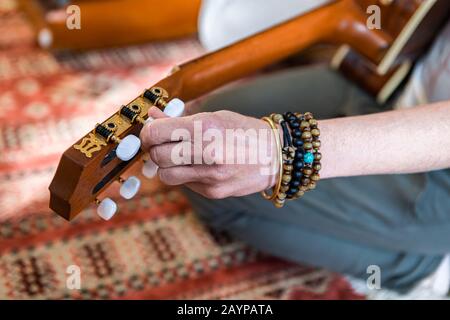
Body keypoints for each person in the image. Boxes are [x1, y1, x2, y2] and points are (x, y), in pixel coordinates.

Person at [139, 1, 450, 296]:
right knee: (209, 141)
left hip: (440, 168)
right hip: (391, 78)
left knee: (227, 186)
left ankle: (422, 266)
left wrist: (283, 151)